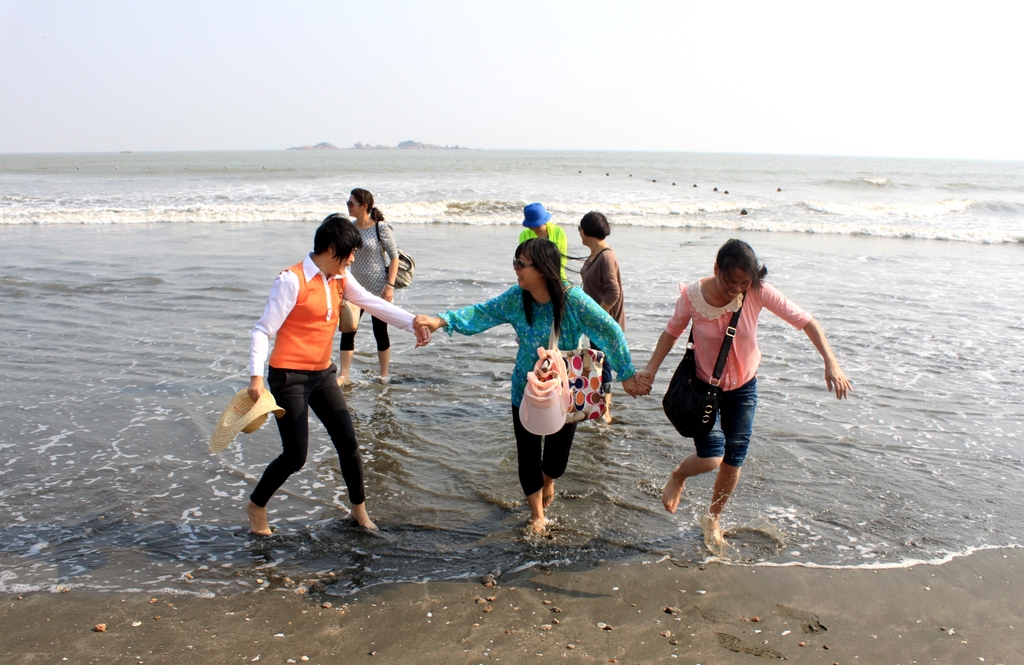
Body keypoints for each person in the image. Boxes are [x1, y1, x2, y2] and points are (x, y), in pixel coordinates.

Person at [414, 239, 642, 533]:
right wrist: (440, 321)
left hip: (564, 391)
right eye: (515, 262)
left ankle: (549, 480)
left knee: (556, 461)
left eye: (521, 264)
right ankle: (537, 515)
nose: (516, 269)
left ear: (543, 269)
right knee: (528, 455)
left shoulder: (573, 300)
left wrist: (626, 373)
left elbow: (609, 330)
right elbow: (482, 313)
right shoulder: (516, 297)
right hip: (525, 390)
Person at [635, 239, 851, 548]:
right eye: (730, 281)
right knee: (712, 457)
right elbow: (671, 333)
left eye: (743, 283)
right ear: (716, 269)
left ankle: (713, 518)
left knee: (734, 459)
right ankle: (679, 475)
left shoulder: (758, 291)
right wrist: (650, 370)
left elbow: (806, 321)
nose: (736, 289)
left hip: (743, 388)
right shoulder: (693, 297)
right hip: (703, 389)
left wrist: (831, 362)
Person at [246, 214, 429, 535]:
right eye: (351, 253)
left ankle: (359, 511)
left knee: (349, 443)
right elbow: (263, 330)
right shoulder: (292, 280)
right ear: (332, 249)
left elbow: (372, 303)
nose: (353, 259)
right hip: (288, 377)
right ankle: (256, 505)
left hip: (322, 375)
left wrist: (413, 322)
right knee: (295, 456)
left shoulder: (341, 278)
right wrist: (256, 378)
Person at [338, 188, 400, 384]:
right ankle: (344, 375)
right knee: (348, 330)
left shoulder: (381, 228)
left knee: (380, 332)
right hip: (354, 288)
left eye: (351, 203)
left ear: (364, 206)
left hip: (379, 288)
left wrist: (390, 285)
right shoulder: (349, 228)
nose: (348, 207)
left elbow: (394, 257)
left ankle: (383, 374)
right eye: (347, 203)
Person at [577, 211, 625, 424]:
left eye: (579, 228)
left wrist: (598, 317)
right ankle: (599, 405)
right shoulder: (595, 255)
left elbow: (613, 292)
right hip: (595, 321)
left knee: (603, 363)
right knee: (597, 361)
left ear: (586, 231)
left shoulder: (606, 256)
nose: (579, 232)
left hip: (604, 322)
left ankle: (605, 411)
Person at [519, 202, 568, 281]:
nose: (534, 229)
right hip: (533, 277)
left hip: (556, 274)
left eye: (537, 226)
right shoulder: (524, 234)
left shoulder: (558, 232)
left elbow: (562, 259)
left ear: (544, 221)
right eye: (531, 226)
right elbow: (524, 260)